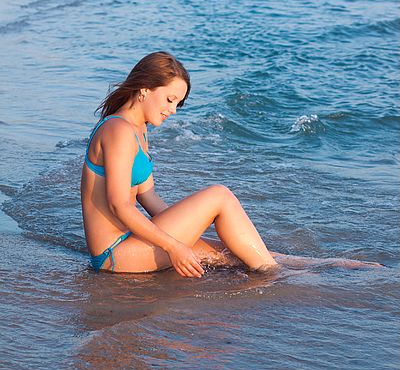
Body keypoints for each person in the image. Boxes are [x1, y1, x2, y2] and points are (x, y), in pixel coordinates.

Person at [80, 51, 278, 277]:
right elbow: (120, 206)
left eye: (178, 104)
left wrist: (191, 230)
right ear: (144, 88)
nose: (173, 110)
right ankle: (277, 278)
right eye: (170, 100)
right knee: (219, 195)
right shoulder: (118, 131)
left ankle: (303, 266)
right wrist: (173, 246)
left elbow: (148, 197)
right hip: (115, 254)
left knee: (233, 252)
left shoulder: (139, 129)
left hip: (131, 243)